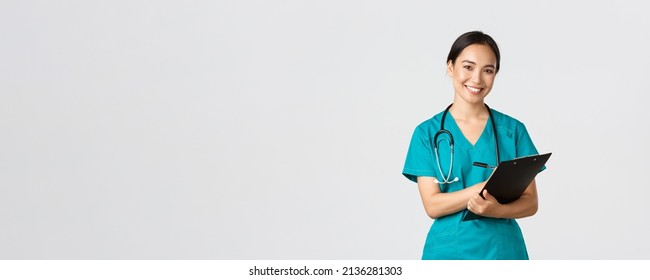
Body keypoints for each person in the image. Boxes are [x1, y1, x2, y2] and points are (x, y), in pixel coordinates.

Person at [402, 31, 545, 260]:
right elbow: (433, 205)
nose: (477, 79)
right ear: (450, 67)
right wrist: (483, 187)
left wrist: (498, 210)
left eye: (488, 70)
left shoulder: (513, 130)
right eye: (468, 67)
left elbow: (530, 203)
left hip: (504, 251)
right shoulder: (427, 133)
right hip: (448, 252)